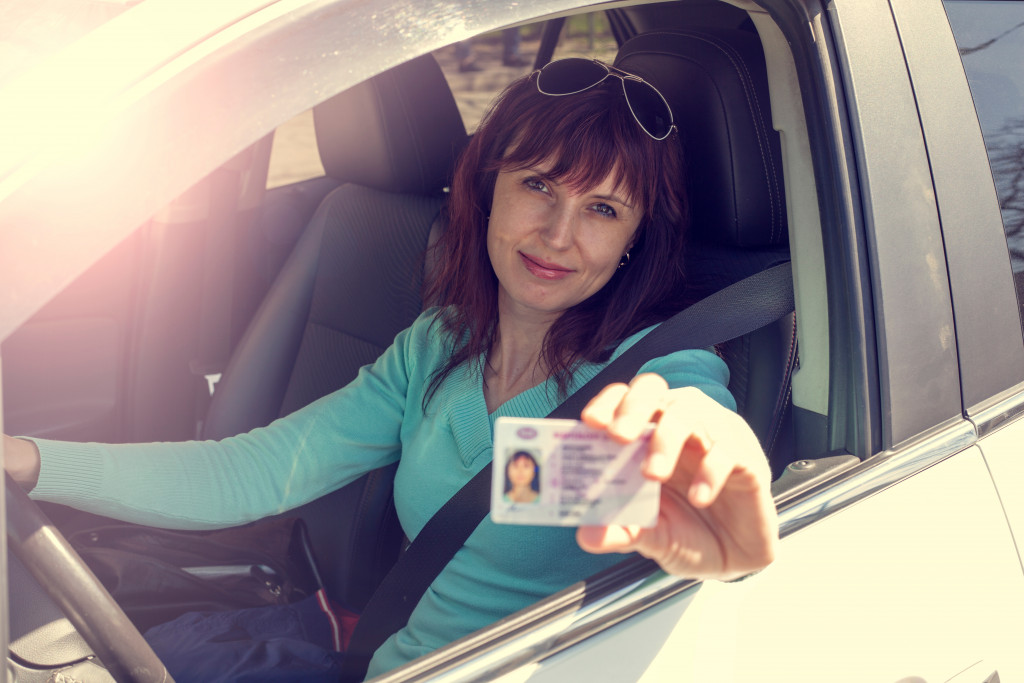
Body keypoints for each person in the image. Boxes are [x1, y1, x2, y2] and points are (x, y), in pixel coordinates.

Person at [3, 57, 778, 680]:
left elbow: (682, 454)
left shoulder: (648, 377)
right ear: (487, 186)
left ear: (636, 238)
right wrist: (28, 461)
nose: (558, 233)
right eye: (537, 184)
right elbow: (254, 470)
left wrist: (724, 487)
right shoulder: (437, 347)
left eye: (604, 210)